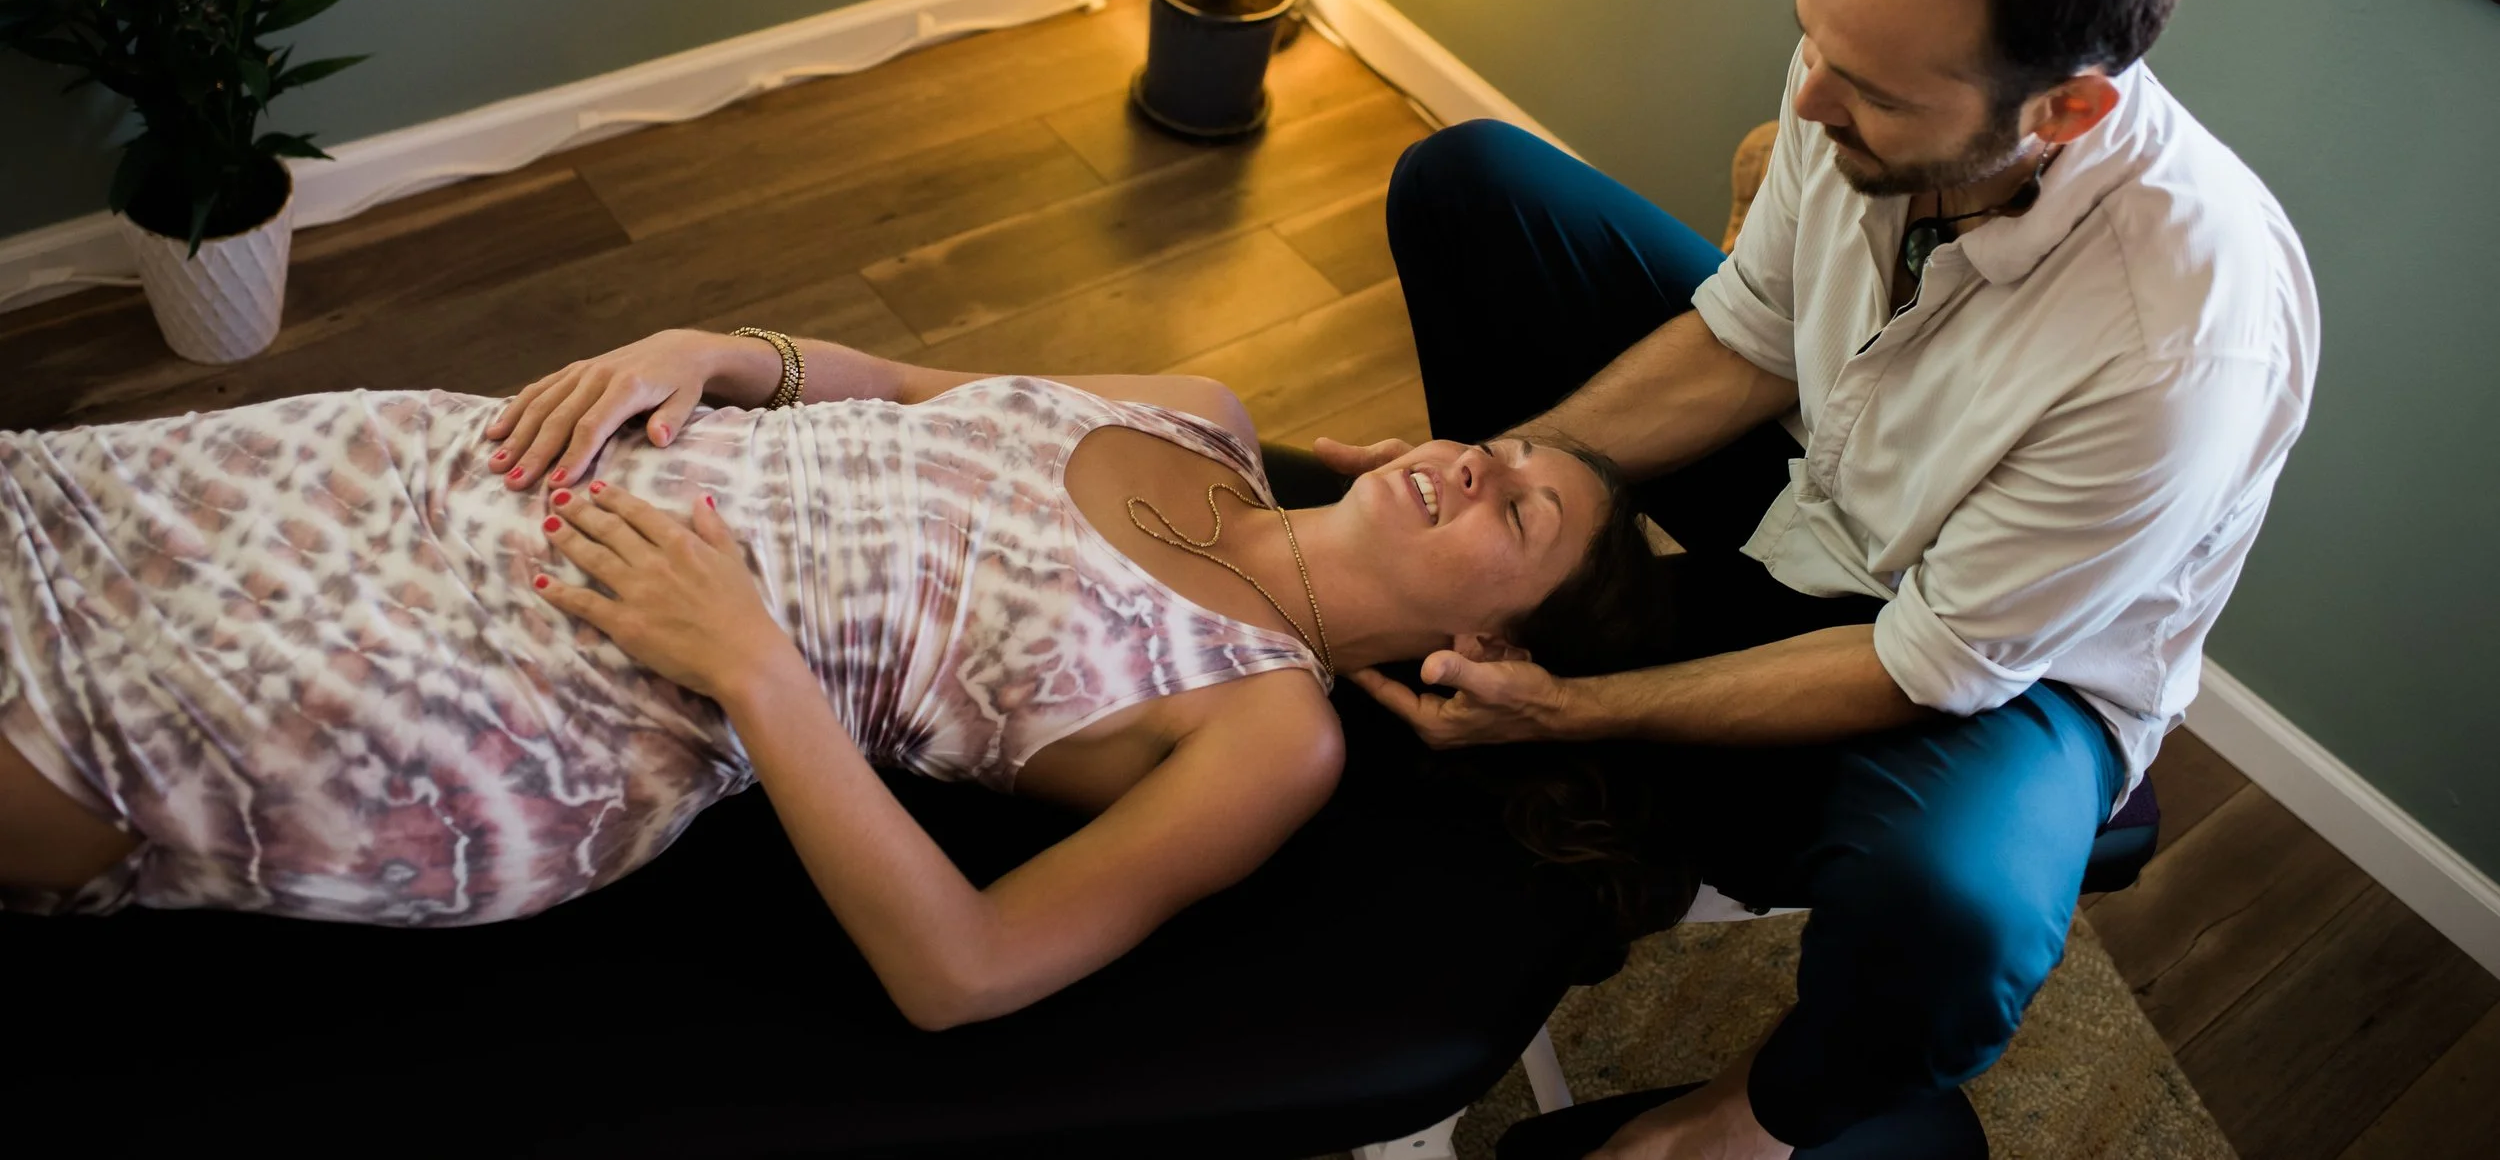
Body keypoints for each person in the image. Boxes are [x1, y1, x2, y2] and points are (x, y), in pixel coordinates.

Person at [1327, 0, 2319, 1157]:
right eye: (1814, 42)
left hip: (2005, 661)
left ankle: (1750, 1122)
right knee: (1479, 187)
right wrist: (1505, 471)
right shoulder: (1856, 80)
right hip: (1831, 467)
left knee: (1956, 912)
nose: (1806, 101)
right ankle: (1503, 595)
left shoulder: (2182, 346)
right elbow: (1750, 337)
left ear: (2068, 112)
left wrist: (1573, 713)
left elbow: (1932, 662)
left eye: (1867, 91)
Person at [0, 327, 1654, 1029]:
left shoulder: (1268, 730)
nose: (1473, 467)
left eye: (1525, 514)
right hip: (469, 469)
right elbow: (899, 383)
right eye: (1499, 444)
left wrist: (747, 664)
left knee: (81, 742)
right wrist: (713, 356)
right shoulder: (1197, 411)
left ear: (1489, 650)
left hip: (576, 697)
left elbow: (970, 974)